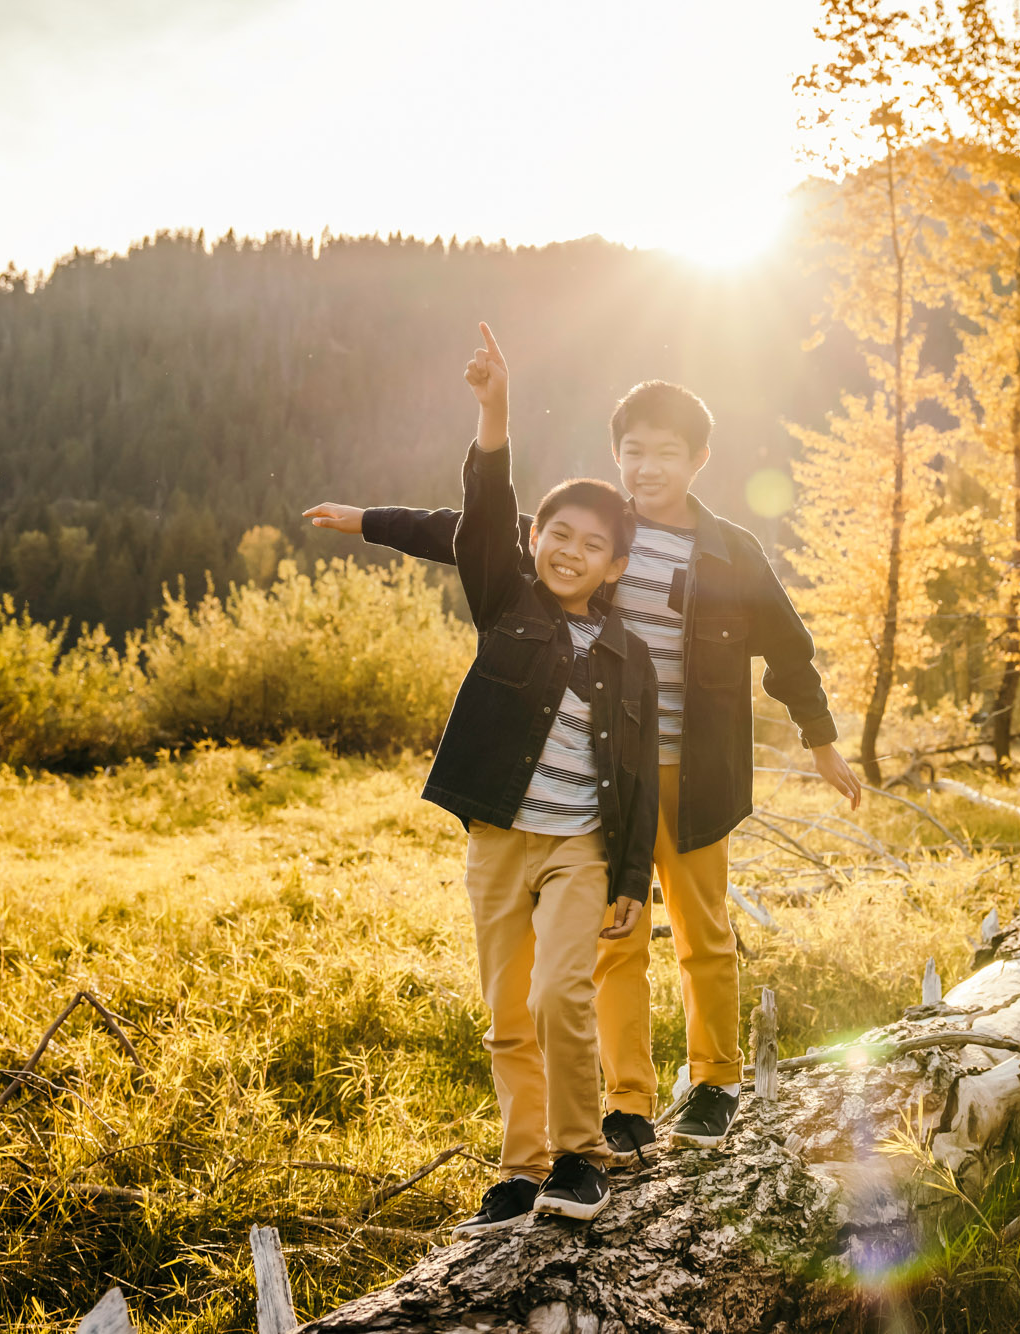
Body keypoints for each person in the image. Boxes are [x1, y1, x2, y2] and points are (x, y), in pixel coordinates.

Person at [308, 347, 859, 1163]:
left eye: (666, 452)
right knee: (615, 941)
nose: (647, 466)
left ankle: (714, 1082)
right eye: (633, 450)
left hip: (697, 772)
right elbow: (473, 533)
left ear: (699, 460)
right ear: (618, 455)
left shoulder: (732, 551)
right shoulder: (603, 529)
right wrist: (368, 521)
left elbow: (790, 648)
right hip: (614, 777)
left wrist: (821, 744)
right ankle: (628, 1102)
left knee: (704, 933)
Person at [306, 323, 660, 1236]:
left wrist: (631, 879)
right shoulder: (507, 601)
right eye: (558, 534)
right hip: (499, 839)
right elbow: (483, 496)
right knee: (508, 1010)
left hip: (582, 845)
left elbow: (637, 777)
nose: (571, 551)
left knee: (560, 997)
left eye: (593, 545)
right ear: (533, 539)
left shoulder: (631, 660)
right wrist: (495, 408)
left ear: (617, 566)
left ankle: (580, 1157)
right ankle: (520, 1169)